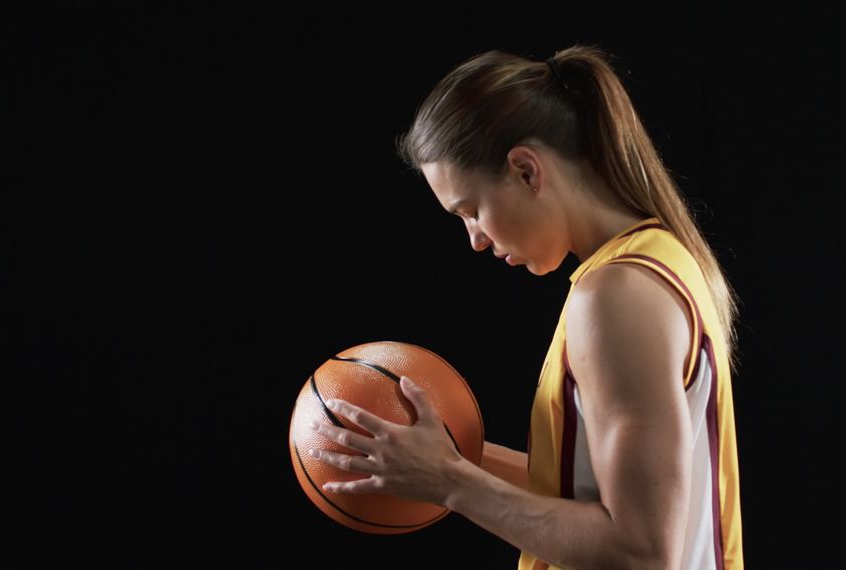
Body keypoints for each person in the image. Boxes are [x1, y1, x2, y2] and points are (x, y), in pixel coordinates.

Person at [307, 45, 744, 569]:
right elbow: (583, 498)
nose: (473, 239)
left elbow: (641, 553)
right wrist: (441, 456)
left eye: (471, 210)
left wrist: (451, 481)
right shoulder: (652, 262)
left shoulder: (619, 294)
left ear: (526, 171)